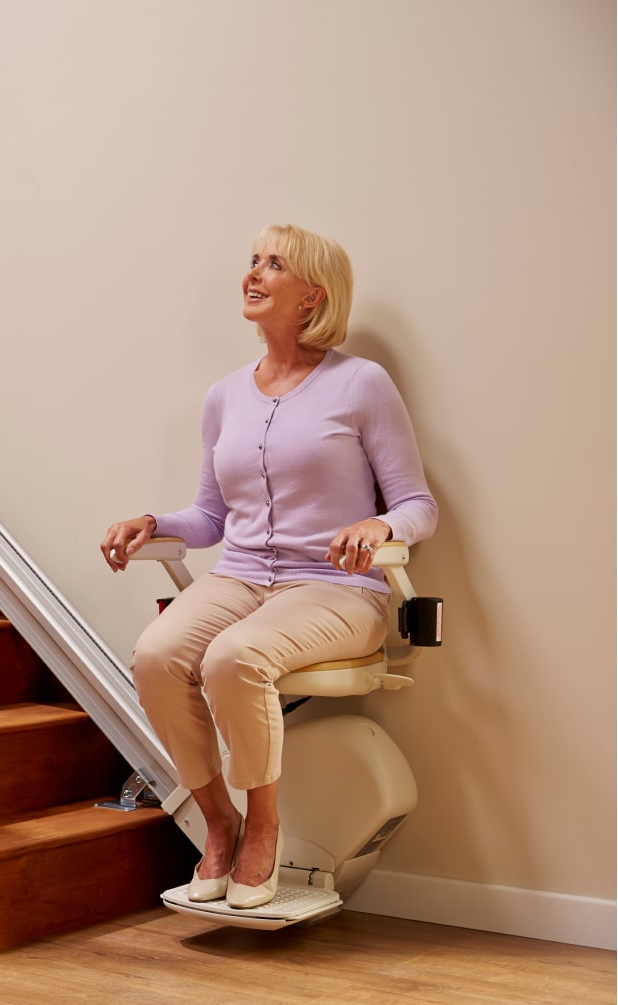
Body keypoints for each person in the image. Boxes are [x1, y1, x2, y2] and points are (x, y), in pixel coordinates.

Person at [100, 223, 437, 910]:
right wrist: (155, 524)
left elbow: (417, 503)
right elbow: (211, 519)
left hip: (337, 586)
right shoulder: (226, 395)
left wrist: (380, 524)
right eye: (252, 261)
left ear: (313, 294)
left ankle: (264, 824)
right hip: (242, 575)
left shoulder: (361, 384)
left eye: (273, 264)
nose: (253, 273)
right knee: (156, 655)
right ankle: (217, 819)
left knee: (233, 657)